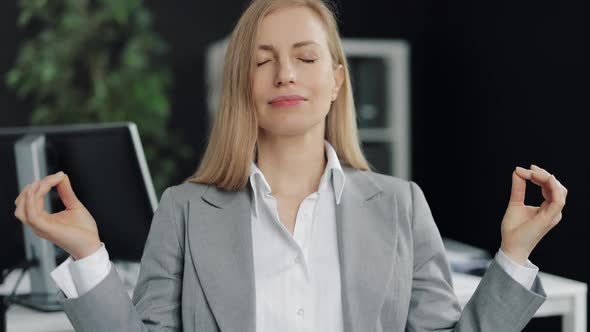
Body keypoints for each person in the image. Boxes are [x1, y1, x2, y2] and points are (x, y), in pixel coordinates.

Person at [13, 0, 568, 331]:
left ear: (335, 80)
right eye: (263, 61)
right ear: (241, 84)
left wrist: (514, 255)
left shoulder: (402, 204)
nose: (285, 75)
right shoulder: (183, 209)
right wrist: (87, 252)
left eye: (306, 58)